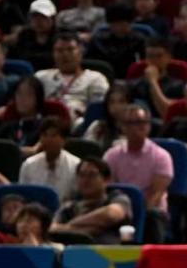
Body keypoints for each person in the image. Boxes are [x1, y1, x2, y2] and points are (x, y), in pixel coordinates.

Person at [104, 103, 173, 241]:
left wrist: (138, 217)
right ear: (123, 127)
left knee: (153, 216)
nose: (138, 127)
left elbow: (156, 195)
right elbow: (108, 188)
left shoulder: (161, 156)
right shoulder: (111, 156)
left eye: (142, 122)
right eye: (132, 123)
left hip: (150, 211)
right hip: (120, 208)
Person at [52, 158, 135, 244]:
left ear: (106, 180)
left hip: (110, 250)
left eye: (92, 175)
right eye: (82, 175)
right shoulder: (70, 206)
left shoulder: (118, 198)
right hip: (76, 251)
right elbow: (52, 229)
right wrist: (91, 229)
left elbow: (110, 214)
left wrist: (70, 226)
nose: (85, 180)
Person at [36, 35, 110, 120]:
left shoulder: (96, 79)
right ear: (53, 54)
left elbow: (99, 110)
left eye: (70, 49)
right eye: (59, 50)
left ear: (80, 52)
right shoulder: (41, 77)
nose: (65, 55)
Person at [17, 117, 80, 202]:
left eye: (53, 136)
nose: (48, 139)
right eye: (44, 135)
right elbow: (22, 196)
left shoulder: (76, 165)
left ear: (64, 140)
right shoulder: (29, 165)